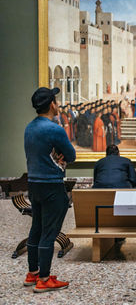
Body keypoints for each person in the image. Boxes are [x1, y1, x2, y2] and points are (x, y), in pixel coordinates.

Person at [24, 87, 76, 292]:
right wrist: (60, 155)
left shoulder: (29, 127)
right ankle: (44, 279)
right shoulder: (54, 128)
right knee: (49, 233)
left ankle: (33, 273)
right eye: (56, 100)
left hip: (34, 184)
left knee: (36, 229)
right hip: (52, 185)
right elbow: (71, 156)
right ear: (52, 104)